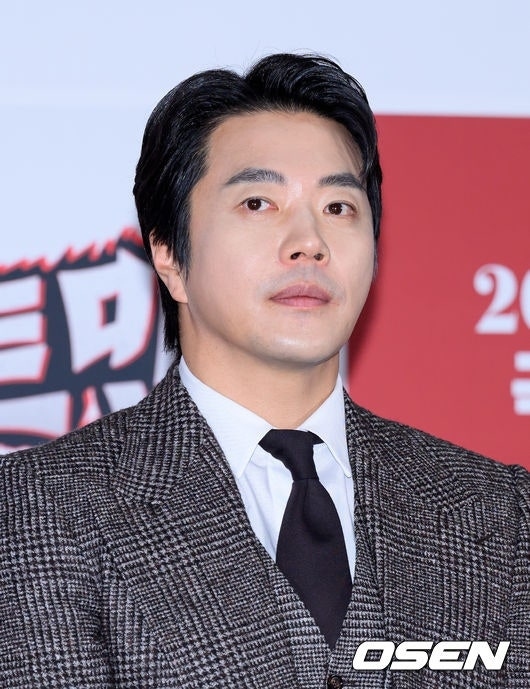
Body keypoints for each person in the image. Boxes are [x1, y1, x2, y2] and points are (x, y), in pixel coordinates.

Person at [1, 53, 528, 689]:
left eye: (339, 207)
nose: (309, 242)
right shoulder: (42, 509)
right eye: (258, 203)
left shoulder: (501, 513)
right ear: (169, 255)